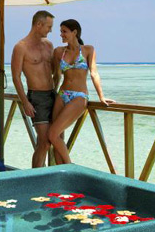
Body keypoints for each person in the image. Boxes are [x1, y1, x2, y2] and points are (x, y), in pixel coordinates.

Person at [48, 19, 115, 164]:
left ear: (74, 32)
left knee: (52, 134)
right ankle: (61, 174)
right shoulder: (59, 51)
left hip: (79, 96)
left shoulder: (88, 50)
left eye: (64, 31)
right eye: (60, 31)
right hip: (62, 95)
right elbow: (57, 76)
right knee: (57, 138)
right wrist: (52, 93)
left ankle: (70, 167)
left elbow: (94, 73)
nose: (61, 34)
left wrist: (101, 96)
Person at [11, 10, 63, 168]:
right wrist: (25, 102)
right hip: (37, 98)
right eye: (49, 26)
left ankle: (57, 173)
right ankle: (35, 176)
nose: (51, 30)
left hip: (53, 95)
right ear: (39, 24)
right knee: (44, 143)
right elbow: (16, 77)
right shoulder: (21, 47)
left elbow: (56, 71)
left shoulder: (49, 45)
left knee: (58, 140)